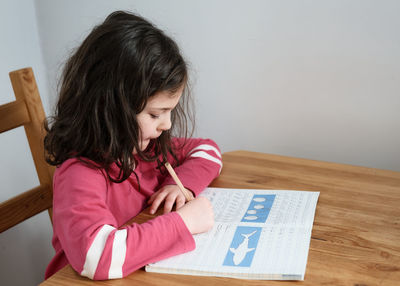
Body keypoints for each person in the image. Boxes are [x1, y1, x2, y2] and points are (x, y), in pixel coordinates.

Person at [43, 11, 222, 280]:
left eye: (170, 111)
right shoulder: (79, 173)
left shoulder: (146, 148)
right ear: (109, 108)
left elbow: (208, 151)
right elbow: (96, 256)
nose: (167, 125)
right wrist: (184, 223)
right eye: (155, 114)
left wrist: (180, 184)